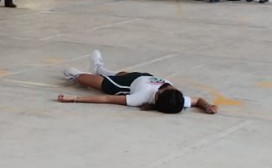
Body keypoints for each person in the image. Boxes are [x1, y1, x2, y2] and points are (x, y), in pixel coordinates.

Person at [59, 49, 217, 114]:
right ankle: (99, 69)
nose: (169, 85)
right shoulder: (178, 100)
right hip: (139, 76)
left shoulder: (140, 97)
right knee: (119, 73)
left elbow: (106, 98)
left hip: (122, 85)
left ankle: (78, 75)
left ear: (158, 96)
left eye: (165, 88)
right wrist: (208, 106)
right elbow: (198, 101)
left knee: (82, 78)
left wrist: (73, 98)